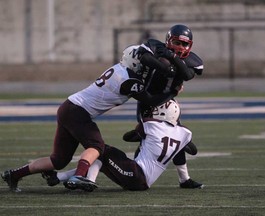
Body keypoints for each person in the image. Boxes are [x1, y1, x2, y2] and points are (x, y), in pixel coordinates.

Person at [1, 46, 178, 193]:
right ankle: (79, 176)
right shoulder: (129, 80)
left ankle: (13, 174)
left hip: (69, 107)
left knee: (58, 160)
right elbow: (150, 100)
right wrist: (173, 91)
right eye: (142, 63)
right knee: (97, 147)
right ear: (134, 62)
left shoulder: (120, 69)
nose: (144, 67)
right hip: (77, 111)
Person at [42, 100, 204, 191]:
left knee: (101, 150)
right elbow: (191, 150)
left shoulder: (150, 125)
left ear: (162, 112)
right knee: (103, 160)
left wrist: (144, 133)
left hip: (137, 175)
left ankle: (85, 182)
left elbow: (127, 137)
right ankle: (59, 177)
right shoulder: (184, 133)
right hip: (141, 178)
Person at [123, 24, 204, 188]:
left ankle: (184, 179)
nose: (180, 47)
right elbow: (145, 58)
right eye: (177, 42)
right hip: (149, 100)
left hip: (168, 101)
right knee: (147, 142)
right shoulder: (156, 47)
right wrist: (165, 66)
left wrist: (173, 58)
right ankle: (133, 173)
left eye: (184, 44)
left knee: (177, 138)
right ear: (168, 40)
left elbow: (188, 75)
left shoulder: (192, 60)